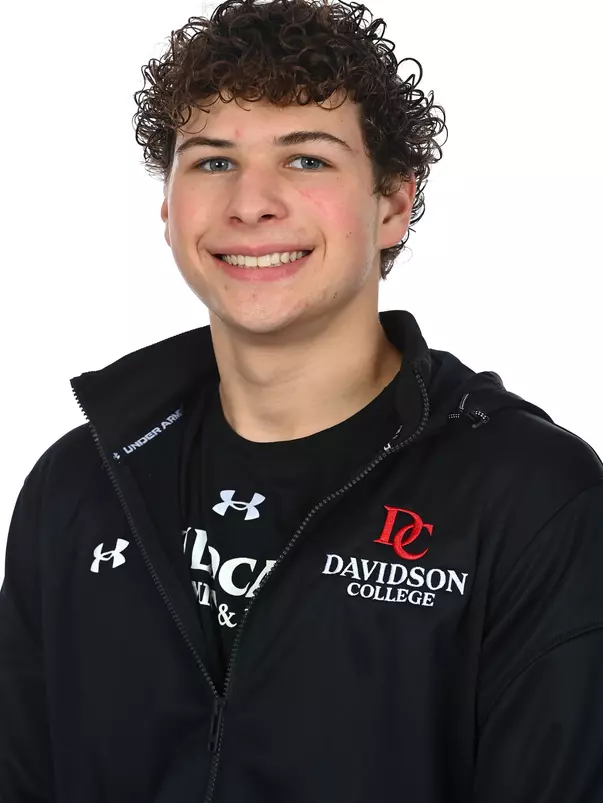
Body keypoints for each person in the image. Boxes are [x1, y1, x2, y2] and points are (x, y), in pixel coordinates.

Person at [2, 0, 603, 800]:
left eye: (306, 160)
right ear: (168, 207)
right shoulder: (76, 487)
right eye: (212, 161)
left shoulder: (531, 498)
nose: (251, 203)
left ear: (390, 204)